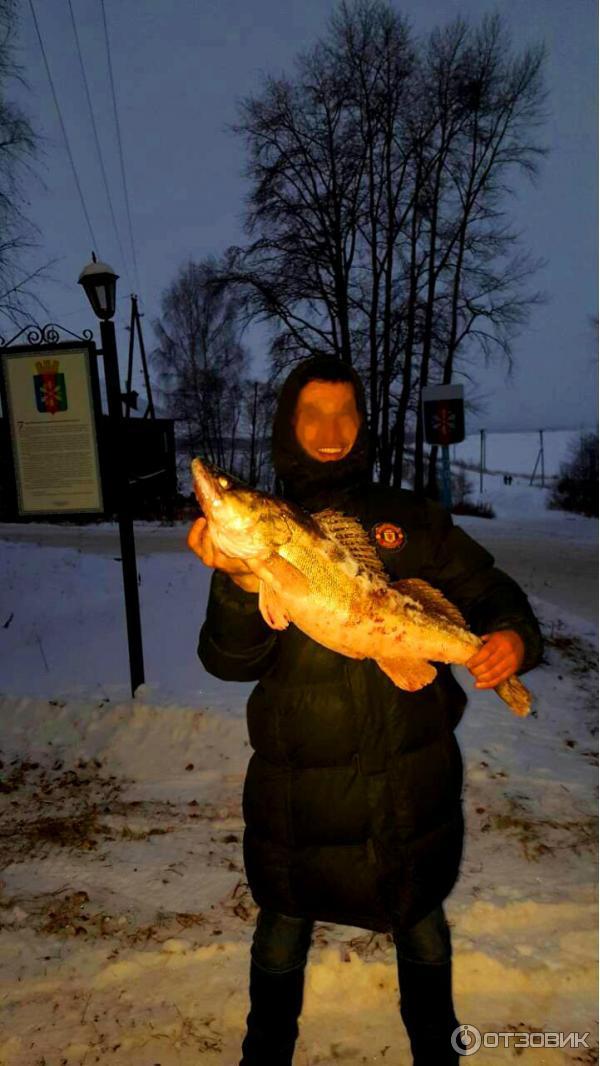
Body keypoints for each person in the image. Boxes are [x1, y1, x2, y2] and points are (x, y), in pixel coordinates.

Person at [187, 354, 543, 1066]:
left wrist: (510, 638)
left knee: (423, 931)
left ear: (363, 422)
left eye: (345, 411)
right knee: (281, 934)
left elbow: (490, 589)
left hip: (410, 788)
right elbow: (229, 660)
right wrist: (234, 583)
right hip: (301, 800)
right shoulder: (266, 537)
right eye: (312, 413)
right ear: (288, 426)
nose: (330, 429)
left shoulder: (409, 518)